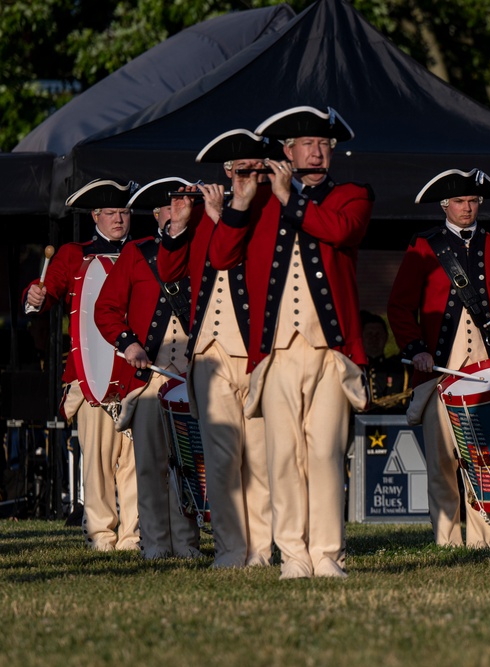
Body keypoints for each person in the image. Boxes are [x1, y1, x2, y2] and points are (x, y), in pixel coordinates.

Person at [209, 105, 372, 579]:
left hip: (331, 350)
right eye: (305, 144)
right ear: (286, 151)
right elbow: (221, 256)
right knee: (283, 455)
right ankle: (293, 556)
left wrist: (292, 198)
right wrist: (240, 202)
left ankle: (326, 554)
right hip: (276, 350)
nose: (315, 151)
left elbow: (341, 231)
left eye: (323, 144)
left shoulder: (352, 195)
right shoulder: (258, 202)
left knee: (323, 452)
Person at [387, 168, 490, 549]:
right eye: (459, 202)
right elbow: (400, 308)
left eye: (472, 201)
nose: (467, 208)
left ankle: (481, 541)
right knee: (441, 462)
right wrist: (415, 349)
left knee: (484, 458)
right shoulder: (424, 246)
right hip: (438, 370)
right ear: (445, 205)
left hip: (486, 372)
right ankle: (447, 541)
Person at [158, 129, 275, 568]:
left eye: (258, 171)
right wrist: (180, 221)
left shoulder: (266, 210)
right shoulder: (202, 216)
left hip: (255, 350)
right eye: (243, 171)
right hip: (208, 351)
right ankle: (229, 550)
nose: (252, 178)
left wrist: (230, 212)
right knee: (222, 460)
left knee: (260, 460)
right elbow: (169, 271)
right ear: (227, 172)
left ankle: (260, 551)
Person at [22, 180, 140, 552]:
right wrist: (34, 295)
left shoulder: (143, 252)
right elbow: (46, 293)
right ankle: (101, 535)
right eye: (110, 213)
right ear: (95, 216)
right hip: (91, 378)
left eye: (123, 212)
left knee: (137, 466)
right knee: (98, 463)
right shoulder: (75, 255)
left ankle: (134, 537)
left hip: (137, 377)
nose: (118, 219)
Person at [94, 179, 201, 559]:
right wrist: (129, 343)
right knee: (150, 467)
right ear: (156, 215)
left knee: (190, 464)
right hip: (149, 378)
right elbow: (105, 309)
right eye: (168, 207)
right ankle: (155, 545)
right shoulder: (137, 253)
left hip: (195, 373)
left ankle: (188, 544)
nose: (176, 212)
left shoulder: (201, 248)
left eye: (181, 205)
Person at [360, 310, 411, 412]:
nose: (374, 339)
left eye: (378, 334)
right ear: (362, 338)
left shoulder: (400, 370)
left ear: (386, 337)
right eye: (369, 334)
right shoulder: (356, 369)